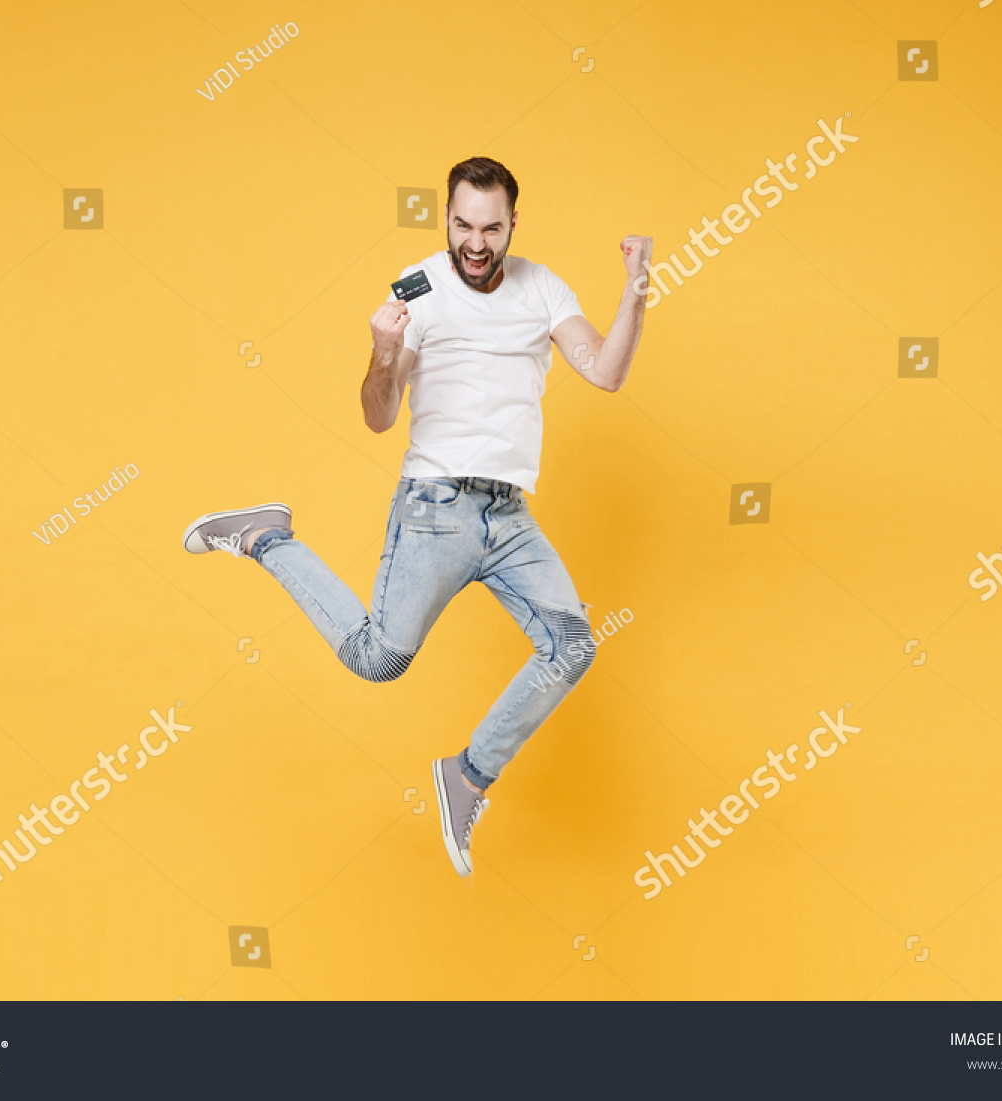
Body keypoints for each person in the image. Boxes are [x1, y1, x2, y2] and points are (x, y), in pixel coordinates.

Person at [182, 157, 652, 876]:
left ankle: (467, 777)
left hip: (509, 515)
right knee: (378, 658)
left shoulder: (543, 286)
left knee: (572, 646)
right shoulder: (421, 290)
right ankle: (265, 537)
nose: (475, 240)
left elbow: (605, 372)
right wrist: (382, 347)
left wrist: (635, 291)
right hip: (436, 506)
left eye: (491, 227)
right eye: (462, 223)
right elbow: (378, 417)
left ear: (512, 225)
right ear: (447, 217)